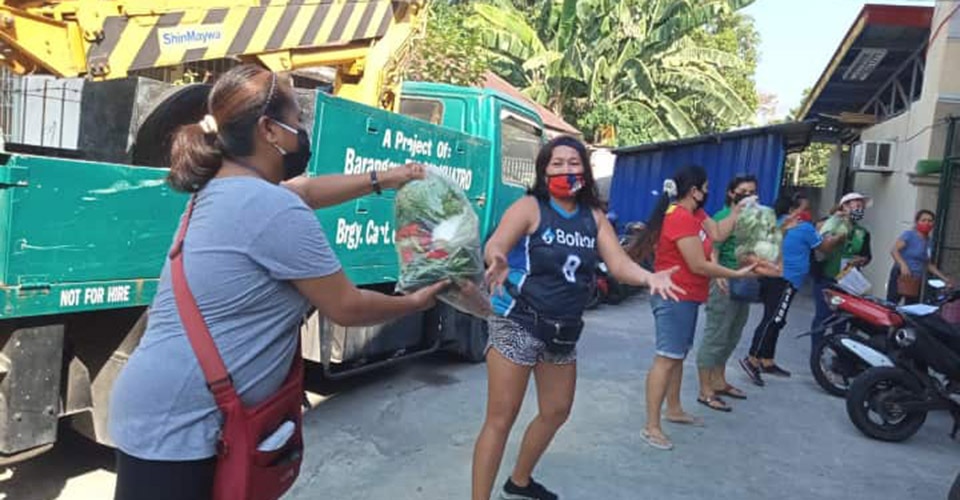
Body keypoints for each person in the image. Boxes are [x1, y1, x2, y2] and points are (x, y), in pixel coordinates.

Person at [108, 65, 447, 500]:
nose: (302, 133)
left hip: (161, 403)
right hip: (179, 422)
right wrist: (415, 303)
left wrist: (386, 178)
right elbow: (347, 306)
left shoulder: (225, 188)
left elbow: (304, 190)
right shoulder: (271, 209)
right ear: (269, 130)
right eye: (298, 123)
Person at [474, 136, 680, 500]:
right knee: (500, 419)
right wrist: (497, 258)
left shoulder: (594, 217)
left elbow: (617, 264)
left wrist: (649, 277)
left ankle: (519, 481)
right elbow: (497, 243)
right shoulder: (530, 207)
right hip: (518, 320)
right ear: (543, 170)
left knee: (556, 410)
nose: (566, 169)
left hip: (563, 329)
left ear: (585, 168)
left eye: (574, 162)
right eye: (557, 163)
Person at [633, 166, 760, 450]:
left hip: (688, 296)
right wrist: (736, 274)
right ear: (694, 191)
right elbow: (698, 264)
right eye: (705, 187)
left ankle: (674, 409)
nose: (708, 192)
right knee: (666, 358)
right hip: (673, 296)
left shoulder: (697, 215)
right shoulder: (679, 218)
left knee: (677, 355)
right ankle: (651, 426)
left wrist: (738, 210)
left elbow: (716, 234)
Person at [739, 193, 844, 386]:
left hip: (773, 278)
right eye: (804, 209)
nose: (808, 213)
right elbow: (824, 248)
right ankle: (752, 359)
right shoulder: (804, 228)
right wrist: (839, 235)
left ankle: (767, 360)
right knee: (773, 320)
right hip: (785, 280)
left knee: (776, 319)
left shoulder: (776, 223)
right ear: (791, 210)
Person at [695, 174, 758, 411]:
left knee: (733, 334)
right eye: (743, 191)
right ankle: (705, 390)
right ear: (732, 193)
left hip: (744, 281)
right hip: (724, 282)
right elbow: (713, 248)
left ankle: (719, 381)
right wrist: (719, 274)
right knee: (716, 335)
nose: (749, 195)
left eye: (752, 191)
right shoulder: (723, 217)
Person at [810, 192, 872, 346]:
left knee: (843, 319)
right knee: (823, 316)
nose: (859, 208)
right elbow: (819, 246)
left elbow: (867, 256)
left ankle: (839, 353)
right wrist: (837, 224)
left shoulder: (862, 232)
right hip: (827, 277)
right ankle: (817, 351)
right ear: (845, 206)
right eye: (856, 205)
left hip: (847, 281)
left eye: (861, 206)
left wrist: (862, 260)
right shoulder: (830, 223)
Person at [888, 209, 953, 304]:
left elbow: (927, 263)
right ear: (917, 222)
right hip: (901, 275)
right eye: (923, 220)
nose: (927, 223)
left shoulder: (929, 242)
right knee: (892, 304)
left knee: (911, 307)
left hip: (916, 278)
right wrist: (903, 265)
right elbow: (894, 250)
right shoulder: (909, 235)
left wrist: (944, 278)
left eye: (930, 221)